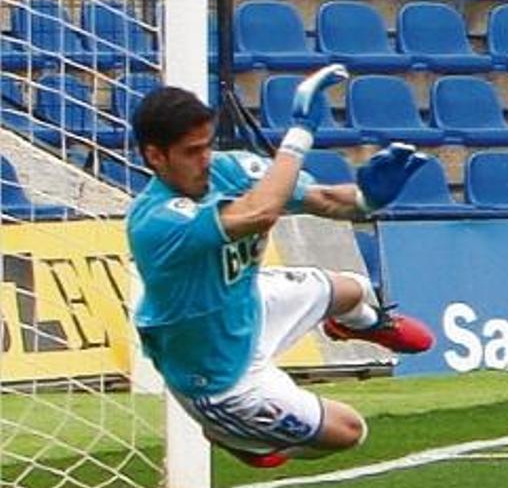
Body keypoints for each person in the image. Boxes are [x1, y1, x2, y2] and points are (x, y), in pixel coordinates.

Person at [126, 64, 435, 468]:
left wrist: (365, 200)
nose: (205, 159)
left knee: (354, 289)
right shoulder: (156, 220)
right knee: (349, 432)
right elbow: (260, 213)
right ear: (155, 156)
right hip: (218, 372)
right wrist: (300, 132)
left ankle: (358, 323)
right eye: (191, 151)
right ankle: (244, 438)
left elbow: (322, 198)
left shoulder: (227, 168)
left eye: (207, 145)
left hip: (246, 302)